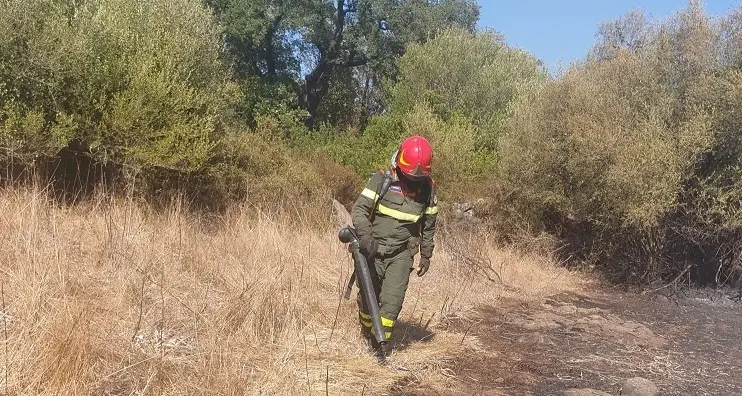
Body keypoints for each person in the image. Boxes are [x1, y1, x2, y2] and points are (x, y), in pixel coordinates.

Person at [350, 135, 439, 351]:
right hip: (371, 250)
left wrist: (426, 255)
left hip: (401, 254)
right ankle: (367, 331)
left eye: (418, 178)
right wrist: (365, 237)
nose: (414, 181)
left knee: (391, 304)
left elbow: (429, 224)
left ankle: (379, 346)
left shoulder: (428, 189)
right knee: (366, 301)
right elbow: (359, 209)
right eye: (410, 176)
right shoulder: (382, 180)